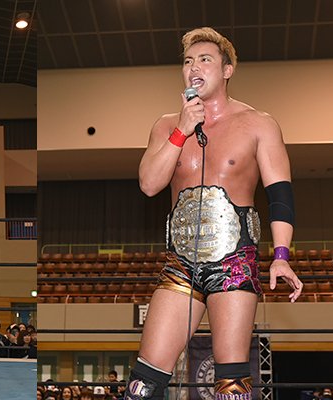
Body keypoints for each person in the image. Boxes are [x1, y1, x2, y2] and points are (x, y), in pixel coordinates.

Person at [125, 27, 303, 399]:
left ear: (227, 70)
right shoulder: (166, 125)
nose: (194, 67)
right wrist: (182, 130)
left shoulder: (259, 124)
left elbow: (280, 195)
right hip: (180, 263)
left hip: (235, 263)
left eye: (205, 59)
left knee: (231, 382)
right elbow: (149, 184)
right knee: (143, 381)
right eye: (188, 61)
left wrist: (282, 255)